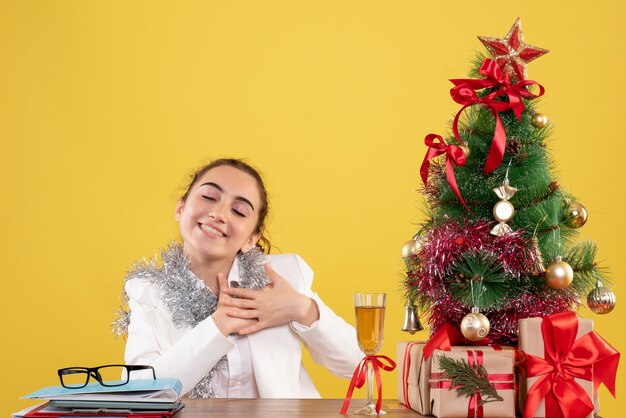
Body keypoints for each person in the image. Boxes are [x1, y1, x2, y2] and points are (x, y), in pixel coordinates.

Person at [113, 158, 362, 399]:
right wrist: (219, 325)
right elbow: (143, 393)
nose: (219, 213)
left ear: (251, 239)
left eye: (239, 211)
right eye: (209, 197)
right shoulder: (147, 292)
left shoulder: (281, 278)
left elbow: (359, 367)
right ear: (181, 207)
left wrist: (301, 308)